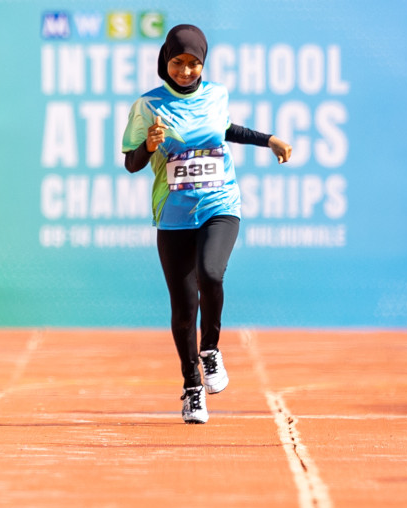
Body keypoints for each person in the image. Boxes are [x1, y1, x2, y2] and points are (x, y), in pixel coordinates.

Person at [122, 24, 291, 424]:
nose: (186, 71)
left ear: (203, 63)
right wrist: (148, 146)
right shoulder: (148, 106)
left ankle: (210, 349)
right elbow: (131, 163)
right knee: (184, 309)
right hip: (174, 215)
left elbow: (225, 129)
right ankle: (192, 389)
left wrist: (270, 140)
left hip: (220, 203)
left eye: (194, 64)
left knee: (211, 273)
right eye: (178, 63)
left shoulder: (216, 94)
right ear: (166, 60)